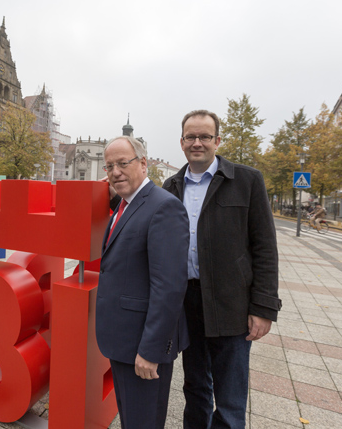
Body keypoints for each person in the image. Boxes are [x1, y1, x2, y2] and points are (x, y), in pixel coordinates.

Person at [163, 110, 282, 428]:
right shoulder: (171, 186)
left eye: (204, 136)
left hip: (233, 305)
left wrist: (264, 307)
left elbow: (265, 249)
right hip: (188, 305)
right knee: (196, 389)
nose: (197, 142)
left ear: (217, 140)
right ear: (182, 142)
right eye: (191, 137)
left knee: (230, 400)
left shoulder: (247, 180)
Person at [96, 136, 190, 428]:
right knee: (132, 419)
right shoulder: (125, 205)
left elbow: (169, 288)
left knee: (143, 422)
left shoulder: (163, 207)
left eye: (123, 163)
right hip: (123, 341)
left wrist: (151, 351)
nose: (115, 172)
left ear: (144, 164)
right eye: (109, 166)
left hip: (143, 348)